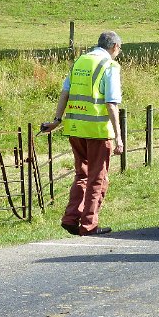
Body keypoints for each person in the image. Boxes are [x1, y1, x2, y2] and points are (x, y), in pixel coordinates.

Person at [42, 31, 124, 236]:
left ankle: (71, 218)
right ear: (114, 46)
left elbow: (65, 92)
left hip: (75, 128)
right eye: (119, 49)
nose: (118, 53)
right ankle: (89, 225)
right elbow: (111, 103)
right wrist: (118, 136)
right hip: (97, 131)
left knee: (82, 174)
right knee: (98, 178)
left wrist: (57, 120)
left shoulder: (80, 61)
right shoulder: (110, 66)